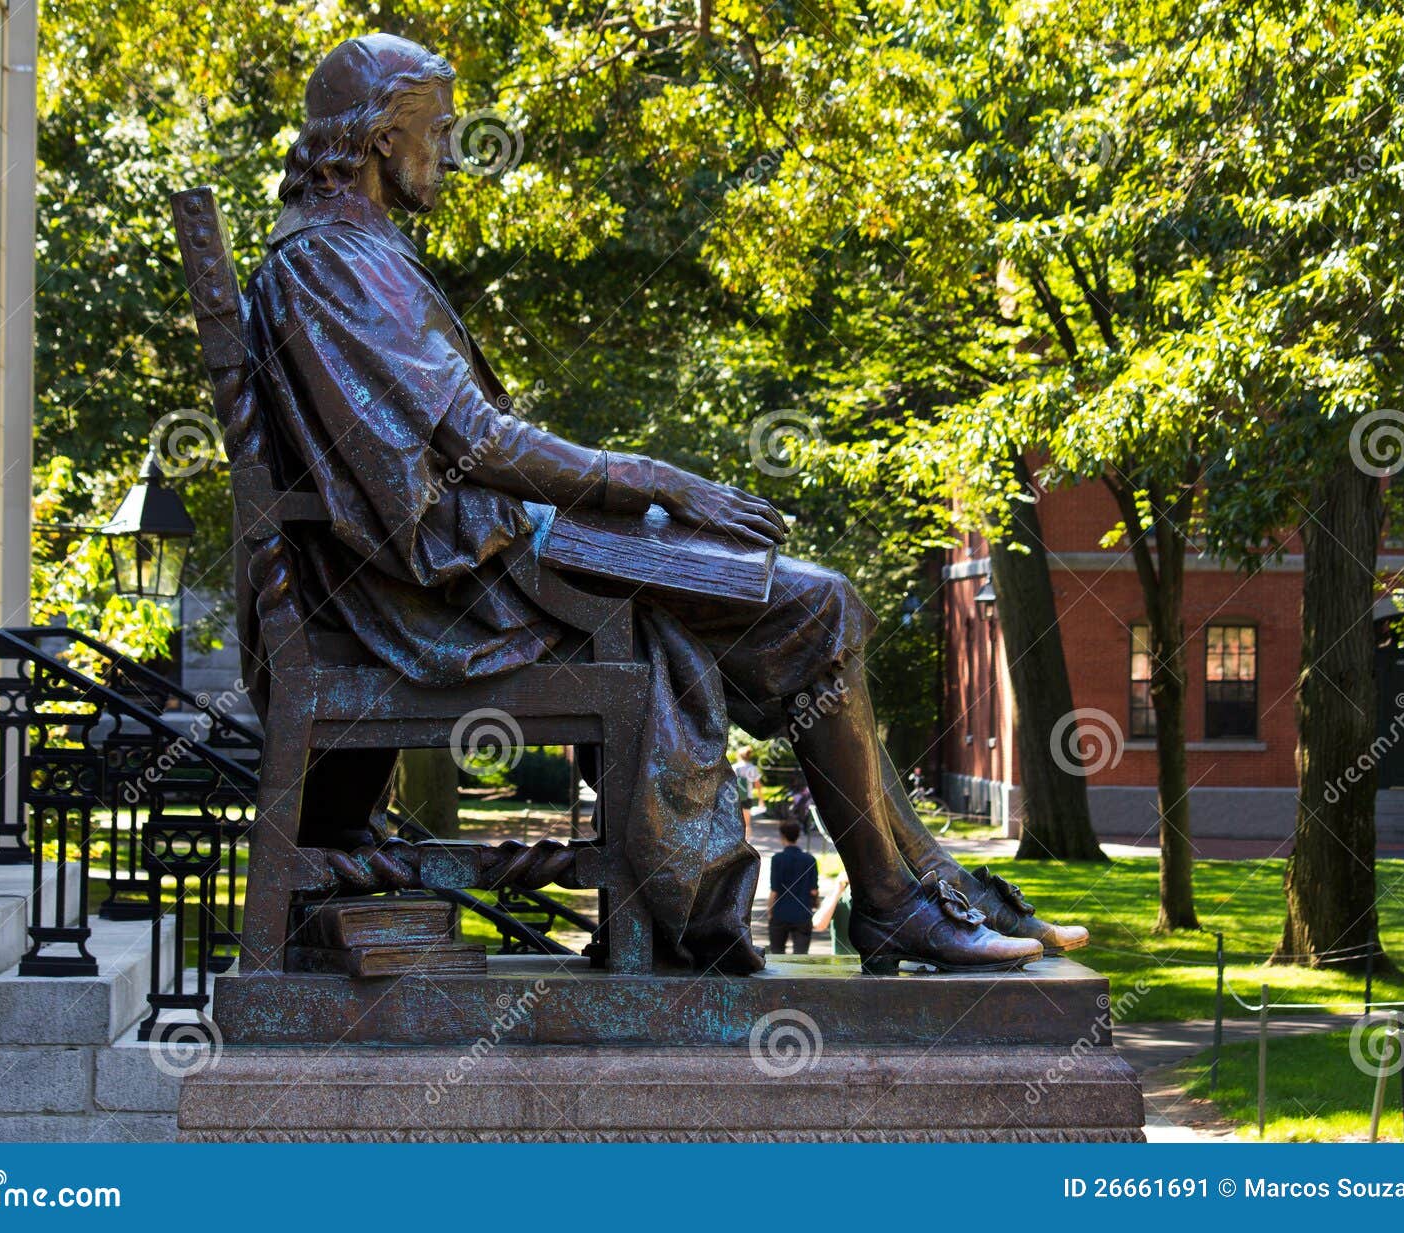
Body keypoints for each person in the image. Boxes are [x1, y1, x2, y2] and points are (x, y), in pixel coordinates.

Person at [243, 33, 1088, 976]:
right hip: (453, 592)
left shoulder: (348, 256)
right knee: (817, 603)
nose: (445, 152)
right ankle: (897, 900)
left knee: (814, 607)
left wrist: (643, 502)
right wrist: (657, 481)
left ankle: (921, 891)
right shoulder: (334, 263)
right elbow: (474, 439)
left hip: (484, 566)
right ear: (374, 137)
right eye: (434, 132)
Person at [767, 820, 819, 954]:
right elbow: (814, 891)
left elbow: (774, 890)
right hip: (802, 913)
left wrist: (770, 911)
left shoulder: (777, 859)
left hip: (780, 912)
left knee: (777, 955)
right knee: (801, 957)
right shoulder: (810, 859)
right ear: (798, 836)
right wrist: (816, 905)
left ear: (782, 836)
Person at [733, 748, 764, 816]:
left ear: (739, 756)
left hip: (735, 795)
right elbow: (757, 784)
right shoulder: (752, 767)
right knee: (746, 811)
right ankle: (748, 826)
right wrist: (761, 799)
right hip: (747, 794)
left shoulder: (734, 767)